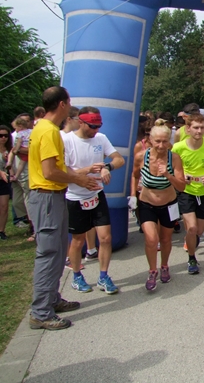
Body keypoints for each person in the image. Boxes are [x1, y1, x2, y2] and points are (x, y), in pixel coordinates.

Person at [27, 86, 101, 330]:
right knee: (49, 255)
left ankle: (51, 300)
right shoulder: (48, 131)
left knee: (58, 253)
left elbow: (58, 167)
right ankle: (40, 312)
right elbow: (49, 172)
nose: (70, 106)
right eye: (69, 102)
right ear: (62, 104)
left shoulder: (46, 128)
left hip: (52, 197)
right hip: (47, 198)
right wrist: (78, 179)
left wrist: (80, 175)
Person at [63, 107, 125, 294]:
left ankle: (103, 276)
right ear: (80, 122)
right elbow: (64, 171)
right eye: (92, 126)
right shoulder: (67, 140)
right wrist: (88, 170)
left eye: (98, 126)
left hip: (97, 195)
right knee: (78, 240)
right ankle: (76, 276)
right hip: (75, 197)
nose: (96, 130)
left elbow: (119, 159)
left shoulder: (101, 138)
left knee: (105, 238)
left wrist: (107, 167)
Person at [130, 119, 186, 291]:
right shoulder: (141, 156)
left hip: (169, 204)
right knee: (151, 239)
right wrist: (132, 196)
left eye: (164, 141)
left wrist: (168, 175)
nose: (161, 146)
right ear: (150, 140)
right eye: (158, 141)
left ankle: (165, 266)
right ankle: (152, 270)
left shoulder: (174, 158)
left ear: (169, 141)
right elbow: (135, 175)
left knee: (166, 239)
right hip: (147, 203)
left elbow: (181, 187)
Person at [172, 113, 204, 274]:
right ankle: (192, 258)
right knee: (192, 228)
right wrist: (181, 177)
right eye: (195, 127)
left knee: (199, 231)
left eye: (202, 127)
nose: (199, 131)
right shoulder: (178, 148)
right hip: (186, 191)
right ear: (187, 129)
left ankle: (192, 240)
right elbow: (172, 169)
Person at [0, 125, 13, 240]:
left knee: (4, 206)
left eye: (5, 135)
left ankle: (1, 230)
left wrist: (8, 160)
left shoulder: (10, 150)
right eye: (0, 136)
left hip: (4, 181)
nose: (3, 138)